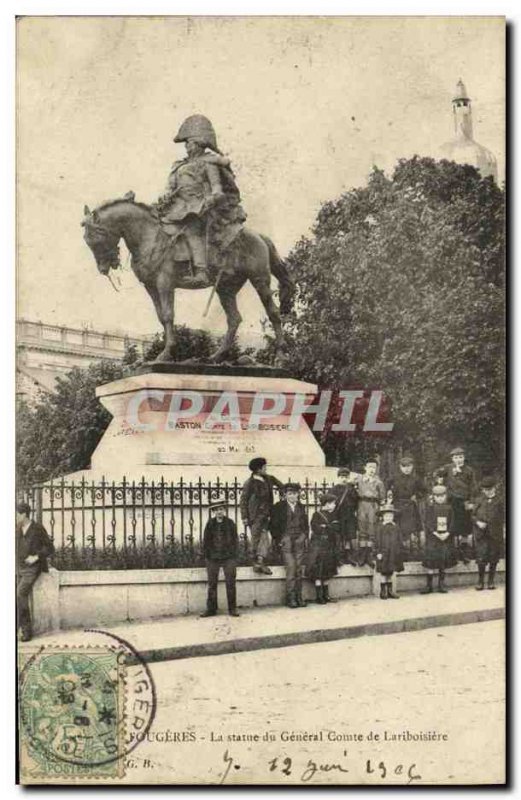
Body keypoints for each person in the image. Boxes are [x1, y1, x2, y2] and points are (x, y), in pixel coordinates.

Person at [154, 115, 246, 287]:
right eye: (186, 144)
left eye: (189, 143)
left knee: (192, 229)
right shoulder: (179, 165)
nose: (187, 147)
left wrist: (210, 200)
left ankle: (201, 271)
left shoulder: (209, 163)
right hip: (177, 207)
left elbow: (217, 189)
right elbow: (169, 187)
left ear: (198, 144)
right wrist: (164, 195)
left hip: (200, 208)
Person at [16, 502, 54, 641]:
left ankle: (26, 630)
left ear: (24, 514)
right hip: (18, 566)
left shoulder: (37, 528)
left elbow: (50, 548)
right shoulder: (16, 528)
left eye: (16, 514)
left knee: (20, 593)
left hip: (33, 567)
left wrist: (36, 557)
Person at [240, 457, 284, 575]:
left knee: (264, 538)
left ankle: (260, 562)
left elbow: (281, 485)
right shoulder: (249, 483)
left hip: (266, 514)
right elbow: (243, 500)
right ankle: (257, 562)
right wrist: (244, 517)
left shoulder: (268, 478)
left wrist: (283, 491)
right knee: (256, 539)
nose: (266, 469)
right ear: (258, 469)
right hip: (254, 515)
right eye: (264, 467)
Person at [270, 483, 309, 609]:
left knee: (298, 569)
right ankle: (291, 598)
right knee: (291, 568)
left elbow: (305, 525)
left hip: (299, 541)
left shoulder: (301, 507)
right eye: (290, 493)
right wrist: (280, 539)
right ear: (285, 494)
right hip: (286, 540)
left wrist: (303, 536)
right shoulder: (279, 507)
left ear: (298, 494)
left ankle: (299, 597)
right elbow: (273, 525)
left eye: (295, 493)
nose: (293, 496)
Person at [201, 498, 240, 617]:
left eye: (221, 509)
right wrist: (208, 556)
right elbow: (206, 541)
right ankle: (211, 609)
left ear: (225, 510)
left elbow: (235, 540)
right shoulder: (210, 524)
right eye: (217, 510)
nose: (219, 512)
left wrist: (233, 555)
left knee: (230, 583)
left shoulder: (230, 523)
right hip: (213, 558)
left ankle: (232, 609)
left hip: (228, 557)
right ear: (214, 511)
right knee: (212, 583)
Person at [440, 447, 478, 564]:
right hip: (451, 502)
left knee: (465, 528)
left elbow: (473, 487)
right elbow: (436, 474)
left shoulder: (469, 470)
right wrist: (440, 478)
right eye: (456, 457)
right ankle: (451, 552)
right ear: (452, 459)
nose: (458, 460)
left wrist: (471, 501)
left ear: (464, 457)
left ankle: (464, 551)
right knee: (451, 525)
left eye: (460, 457)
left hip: (464, 502)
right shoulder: (448, 468)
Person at [421, 485, 457, 594]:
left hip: (445, 537)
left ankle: (441, 584)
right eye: (437, 496)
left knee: (443, 559)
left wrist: (448, 533)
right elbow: (428, 522)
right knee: (430, 560)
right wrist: (436, 533)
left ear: (445, 496)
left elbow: (453, 522)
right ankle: (429, 585)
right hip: (433, 538)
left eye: (442, 496)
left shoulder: (449, 508)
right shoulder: (430, 508)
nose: (440, 498)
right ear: (434, 497)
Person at [388, 455, 425, 559]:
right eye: (404, 466)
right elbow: (388, 490)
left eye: (409, 466)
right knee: (399, 529)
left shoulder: (416, 479)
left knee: (411, 530)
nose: (407, 469)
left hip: (411, 507)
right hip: (398, 507)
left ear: (412, 466)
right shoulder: (394, 478)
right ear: (400, 467)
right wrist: (390, 497)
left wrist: (417, 496)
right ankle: (400, 552)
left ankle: (412, 552)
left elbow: (424, 490)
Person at [306, 493, 340, 604]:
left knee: (327, 570)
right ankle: (319, 596)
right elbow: (315, 528)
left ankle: (326, 595)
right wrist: (327, 528)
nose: (334, 505)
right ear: (327, 504)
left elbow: (336, 528)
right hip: (318, 546)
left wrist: (326, 527)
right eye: (333, 503)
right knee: (318, 571)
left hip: (329, 546)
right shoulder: (317, 514)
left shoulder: (333, 515)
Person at [473, 476, 504, 591]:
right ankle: (480, 581)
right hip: (481, 534)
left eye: (489, 489)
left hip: (495, 534)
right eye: (485, 490)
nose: (487, 492)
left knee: (493, 557)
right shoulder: (479, 500)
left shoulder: (500, 500)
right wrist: (478, 522)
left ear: (494, 488)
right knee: (481, 557)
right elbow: (473, 515)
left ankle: (491, 581)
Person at [355, 458, 386, 567]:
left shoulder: (379, 482)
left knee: (372, 530)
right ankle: (362, 555)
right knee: (362, 528)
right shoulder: (359, 480)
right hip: (361, 505)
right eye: (370, 467)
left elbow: (382, 498)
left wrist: (381, 512)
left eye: (374, 468)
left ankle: (370, 555)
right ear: (365, 468)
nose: (372, 470)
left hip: (373, 506)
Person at [375, 503, 403, 600]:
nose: (388, 518)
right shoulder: (380, 527)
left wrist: (399, 550)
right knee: (383, 572)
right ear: (382, 517)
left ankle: (390, 591)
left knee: (391, 571)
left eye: (390, 516)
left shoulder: (396, 527)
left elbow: (399, 539)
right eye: (386, 516)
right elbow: (377, 541)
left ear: (393, 517)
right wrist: (378, 552)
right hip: (383, 553)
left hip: (393, 553)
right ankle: (383, 591)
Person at [330, 467, 358, 565]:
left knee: (349, 536)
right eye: (342, 477)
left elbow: (356, 501)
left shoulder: (351, 489)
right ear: (338, 477)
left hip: (349, 515)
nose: (344, 479)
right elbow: (330, 503)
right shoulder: (334, 489)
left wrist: (351, 488)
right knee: (340, 536)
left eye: (346, 477)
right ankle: (340, 556)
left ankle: (348, 555)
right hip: (338, 516)